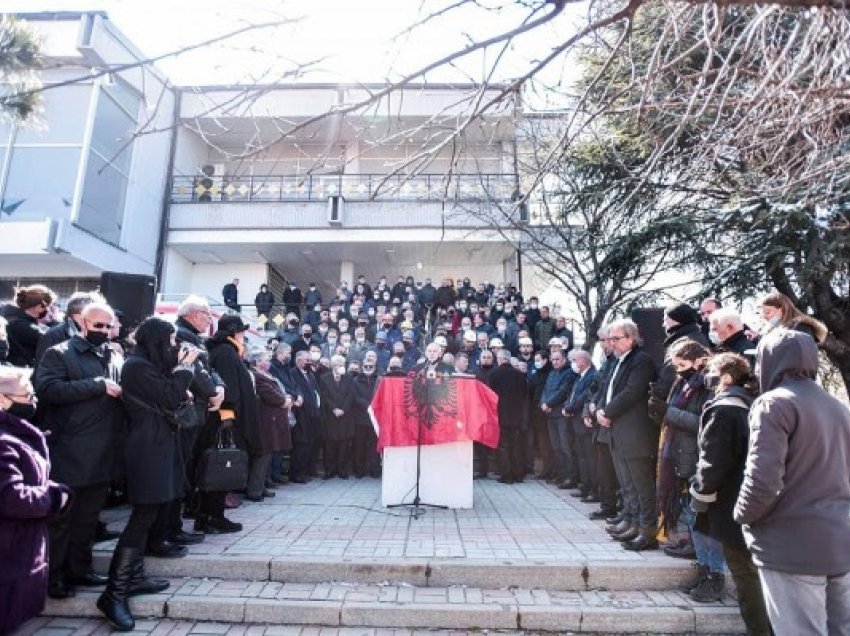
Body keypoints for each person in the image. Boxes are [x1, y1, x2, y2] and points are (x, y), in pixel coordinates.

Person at [734, 329, 850, 635]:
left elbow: (763, 480)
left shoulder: (773, 404)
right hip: (839, 540)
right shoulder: (838, 408)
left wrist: (742, 516)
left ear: (770, 361)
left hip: (790, 544)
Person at [97, 317, 196, 631]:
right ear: (155, 341)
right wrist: (184, 371)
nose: (173, 347)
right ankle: (114, 594)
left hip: (158, 444)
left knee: (151, 514)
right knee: (142, 518)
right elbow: (169, 396)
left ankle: (135, 577)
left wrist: (178, 372)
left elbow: (169, 393)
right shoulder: (137, 366)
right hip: (146, 448)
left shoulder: (147, 365)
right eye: (168, 341)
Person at [35, 302, 124, 599]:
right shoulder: (59, 353)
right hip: (70, 449)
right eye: (97, 325)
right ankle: (54, 576)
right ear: (82, 323)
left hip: (103, 450)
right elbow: (47, 390)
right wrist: (97, 385)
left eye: (107, 326)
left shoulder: (112, 354)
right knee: (63, 520)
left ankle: (80, 570)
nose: (103, 331)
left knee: (88, 518)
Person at [690, 352, 770, 634]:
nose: (707, 377)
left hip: (730, 501)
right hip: (754, 497)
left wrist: (700, 494)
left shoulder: (724, 408)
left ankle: (759, 629)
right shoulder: (751, 403)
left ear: (726, 376)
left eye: (712, 371)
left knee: (744, 573)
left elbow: (713, 461)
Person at [0, 367, 72, 635]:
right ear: (3, 400)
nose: (33, 400)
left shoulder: (13, 432)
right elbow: (11, 498)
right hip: (8, 551)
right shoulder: (4, 441)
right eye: (27, 394)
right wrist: (55, 496)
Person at [595, 318, 659, 551]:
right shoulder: (619, 360)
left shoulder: (641, 360)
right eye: (609, 338)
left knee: (642, 486)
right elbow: (608, 390)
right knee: (627, 483)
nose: (611, 342)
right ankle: (631, 522)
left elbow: (633, 392)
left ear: (631, 338)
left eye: (616, 338)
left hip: (635, 431)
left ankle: (647, 531)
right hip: (618, 429)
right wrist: (602, 410)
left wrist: (608, 411)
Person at [207, 315, 269, 502]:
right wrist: (228, 415)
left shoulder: (229, 351)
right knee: (224, 455)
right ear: (233, 332)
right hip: (229, 417)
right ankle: (220, 497)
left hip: (234, 414)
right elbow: (228, 389)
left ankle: (224, 495)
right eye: (241, 330)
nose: (244, 334)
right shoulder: (225, 352)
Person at [250, 348, 292, 494]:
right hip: (266, 420)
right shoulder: (257, 376)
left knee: (267, 456)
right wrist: (284, 400)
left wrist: (285, 398)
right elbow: (274, 397)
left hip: (272, 420)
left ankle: (262, 486)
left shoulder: (266, 374)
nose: (268, 362)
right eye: (266, 360)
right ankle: (255, 490)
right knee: (263, 455)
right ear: (257, 362)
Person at [488, 349, 529, 484]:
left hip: (501, 415)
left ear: (500, 359)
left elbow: (491, 395)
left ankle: (506, 475)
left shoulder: (494, 374)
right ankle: (518, 474)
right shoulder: (519, 375)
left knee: (504, 445)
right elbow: (524, 394)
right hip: (516, 416)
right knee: (516, 445)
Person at [562, 349, 597, 501]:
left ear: (583, 361)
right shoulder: (579, 377)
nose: (573, 364)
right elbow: (572, 395)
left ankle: (593, 489)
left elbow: (583, 397)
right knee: (582, 457)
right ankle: (585, 486)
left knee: (590, 458)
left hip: (584, 423)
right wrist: (566, 406)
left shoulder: (591, 376)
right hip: (576, 421)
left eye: (574, 361)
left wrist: (569, 408)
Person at [318, 354, 356, 479]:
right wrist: (334, 409)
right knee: (329, 445)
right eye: (338, 365)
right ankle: (330, 470)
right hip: (330, 416)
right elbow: (324, 396)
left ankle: (342, 470)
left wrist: (343, 409)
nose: (341, 367)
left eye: (342, 364)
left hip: (345, 416)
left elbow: (350, 395)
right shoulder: (324, 378)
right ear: (333, 366)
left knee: (344, 445)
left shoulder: (349, 378)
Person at [288, 350, 322, 483]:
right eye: (306, 360)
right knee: (300, 445)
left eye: (309, 360)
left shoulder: (310, 374)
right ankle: (296, 474)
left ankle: (307, 471)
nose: (309, 362)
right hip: (300, 414)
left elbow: (315, 392)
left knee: (310, 444)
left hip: (313, 414)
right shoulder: (293, 373)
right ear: (298, 360)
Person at [4, 284, 56, 367]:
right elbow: (51, 339)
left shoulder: (9, 316)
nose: (49, 311)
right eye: (49, 307)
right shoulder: (23, 326)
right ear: (39, 307)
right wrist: (55, 322)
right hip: (18, 370)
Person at [757, 290, 828, 343]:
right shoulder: (776, 331)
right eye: (763, 313)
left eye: (767, 312)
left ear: (781, 309)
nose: (764, 317)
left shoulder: (800, 329)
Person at [352, 352, 381, 478]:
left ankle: (373, 470)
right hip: (360, 417)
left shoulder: (379, 380)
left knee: (374, 447)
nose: (368, 368)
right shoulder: (355, 380)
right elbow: (354, 396)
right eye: (366, 366)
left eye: (371, 366)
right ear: (362, 366)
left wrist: (374, 405)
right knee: (359, 446)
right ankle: (359, 471)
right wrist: (367, 405)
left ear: (375, 367)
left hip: (374, 419)